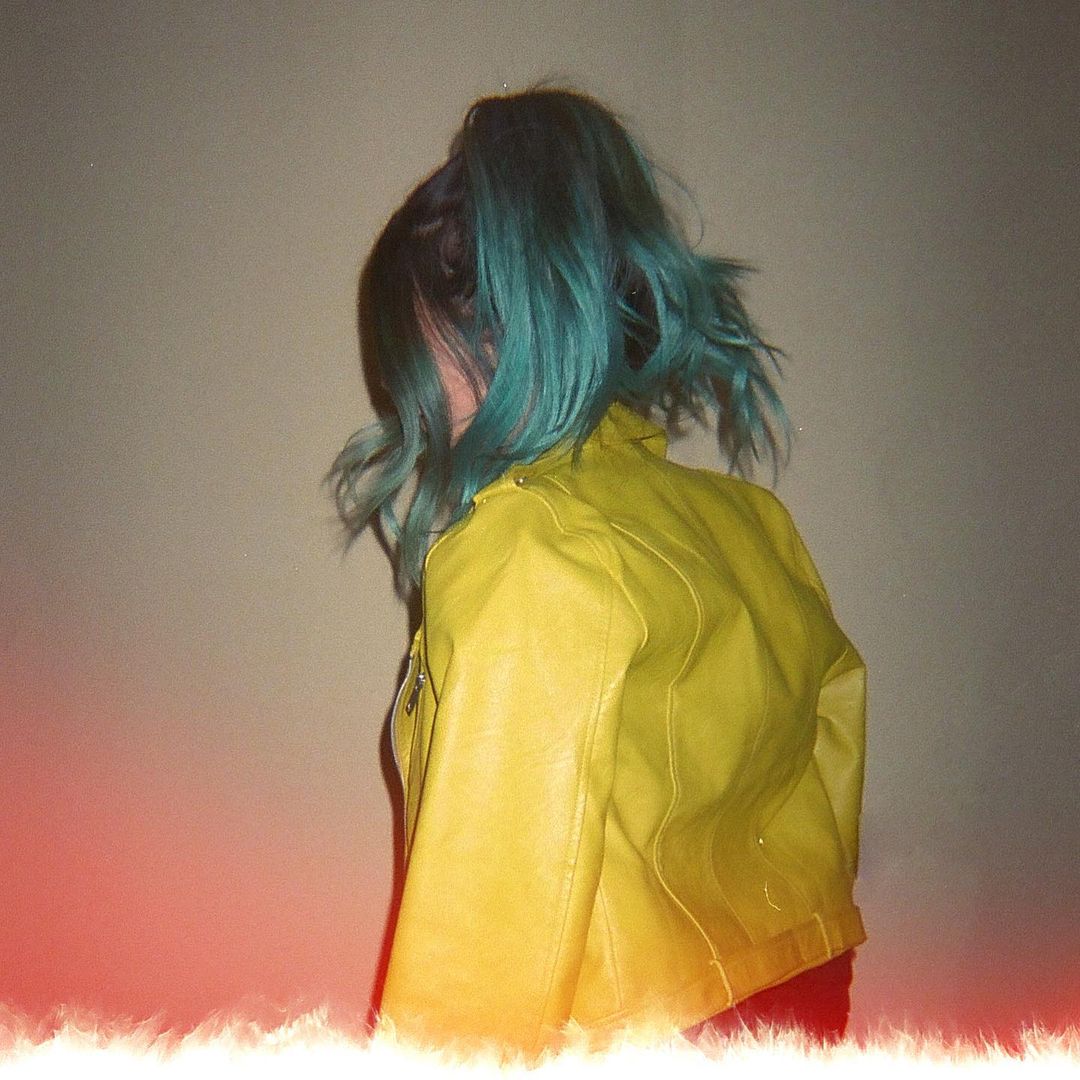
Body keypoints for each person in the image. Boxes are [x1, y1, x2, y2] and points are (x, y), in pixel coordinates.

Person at [329, 86, 867, 1060]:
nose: (412, 409)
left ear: (501, 335)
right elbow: (827, 772)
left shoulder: (526, 551)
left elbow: (485, 929)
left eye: (415, 367)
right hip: (799, 1000)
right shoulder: (752, 524)